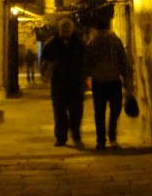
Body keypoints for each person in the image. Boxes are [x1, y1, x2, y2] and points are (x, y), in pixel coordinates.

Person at [84, 15, 133, 150]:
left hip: (101, 81)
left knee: (101, 111)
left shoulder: (92, 43)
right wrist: (127, 79)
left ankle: (102, 140)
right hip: (112, 81)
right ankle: (109, 137)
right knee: (113, 109)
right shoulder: (113, 41)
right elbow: (123, 61)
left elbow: (86, 63)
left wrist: (87, 79)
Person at [40, 17, 85, 148]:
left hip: (75, 82)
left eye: (68, 28)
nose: (66, 30)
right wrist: (45, 74)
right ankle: (61, 137)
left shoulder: (78, 43)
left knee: (76, 111)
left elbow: (85, 61)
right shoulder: (52, 44)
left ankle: (76, 136)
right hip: (59, 82)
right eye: (64, 28)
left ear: (72, 29)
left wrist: (85, 78)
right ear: (60, 29)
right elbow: (44, 62)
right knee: (59, 111)